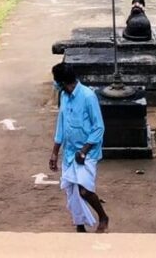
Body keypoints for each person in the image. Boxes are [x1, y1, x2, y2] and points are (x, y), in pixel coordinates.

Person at [49, 63, 108, 233]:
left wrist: (84, 151)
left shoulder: (88, 96)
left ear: (63, 82)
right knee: (71, 191)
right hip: (69, 153)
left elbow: (99, 127)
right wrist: (54, 153)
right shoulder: (64, 96)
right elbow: (61, 126)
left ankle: (103, 217)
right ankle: (80, 226)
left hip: (87, 153)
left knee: (84, 190)